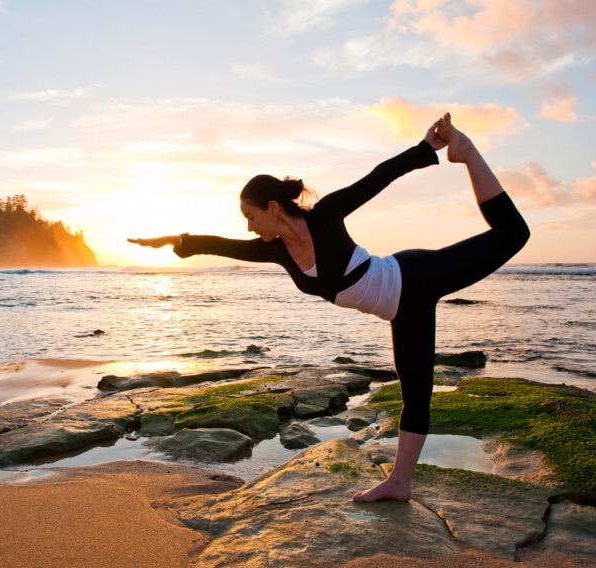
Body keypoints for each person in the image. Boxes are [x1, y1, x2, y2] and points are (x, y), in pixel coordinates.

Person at [128, 114, 530, 502]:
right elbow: (217, 244)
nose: (249, 227)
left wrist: (427, 147)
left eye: (250, 217)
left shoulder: (326, 216)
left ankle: (467, 152)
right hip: (401, 311)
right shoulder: (276, 252)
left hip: (415, 276)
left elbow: (378, 177)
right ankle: (399, 483)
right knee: (416, 395)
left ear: (272, 207)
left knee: (514, 234)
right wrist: (172, 240)